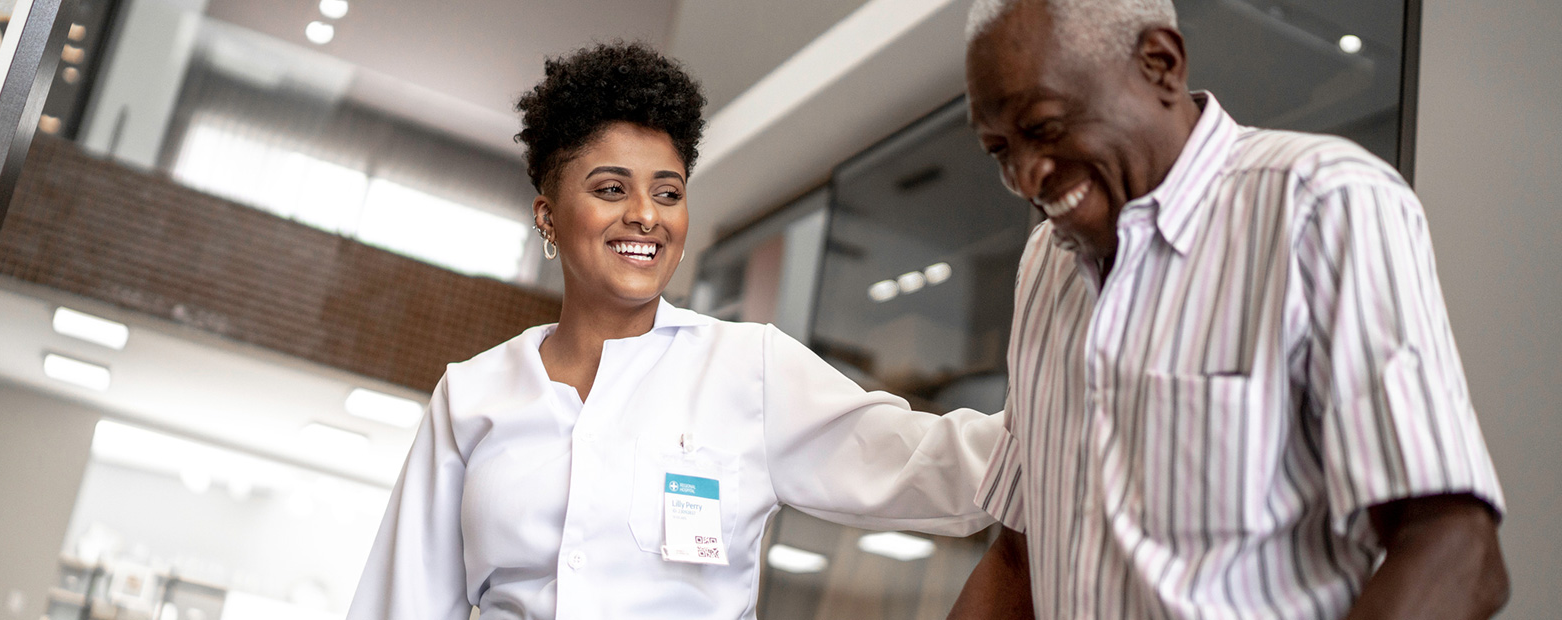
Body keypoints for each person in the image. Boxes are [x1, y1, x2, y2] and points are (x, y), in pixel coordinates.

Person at [344, 42, 1003, 620]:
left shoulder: (749, 369)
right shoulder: (472, 396)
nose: (644, 216)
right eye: (610, 189)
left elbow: (932, 464)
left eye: (667, 192)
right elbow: (402, 602)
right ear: (547, 217)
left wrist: (1075, 424)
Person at [946, 1, 1508, 618]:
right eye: (999, 151)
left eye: (1046, 127)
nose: (1028, 176)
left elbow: (1454, 547)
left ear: (1161, 64)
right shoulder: (1045, 266)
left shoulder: (1321, 204)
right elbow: (1019, 562)